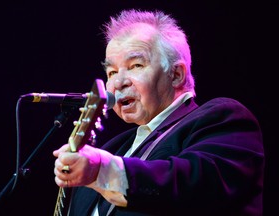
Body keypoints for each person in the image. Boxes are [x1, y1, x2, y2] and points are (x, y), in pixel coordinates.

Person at [53, 9, 264, 216]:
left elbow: (194, 186)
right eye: (112, 72)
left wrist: (102, 170)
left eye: (136, 65)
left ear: (176, 74)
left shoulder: (222, 119)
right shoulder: (112, 149)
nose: (118, 83)